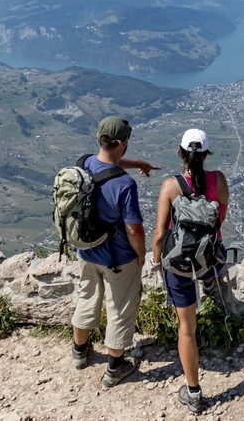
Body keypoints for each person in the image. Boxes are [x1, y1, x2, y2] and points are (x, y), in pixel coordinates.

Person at [70, 115, 160, 388]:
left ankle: (79, 353)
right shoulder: (125, 185)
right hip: (118, 259)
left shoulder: (83, 163)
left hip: (86, 251)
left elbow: (108, 163)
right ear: (124, 142)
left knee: (86, 298)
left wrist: (138, 164)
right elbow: (134, 229)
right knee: (119, 310)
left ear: (99, 139)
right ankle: (115, 368)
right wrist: (141, 255)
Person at [151, 128, 229, 413]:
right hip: (209, 258)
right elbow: (220, 219)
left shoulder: (170, 186)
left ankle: (193, 392)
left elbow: (160, 234)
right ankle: (211, 287)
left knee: (186, 328)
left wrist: (156, 262)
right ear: (206, 155)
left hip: (179, 264)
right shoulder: (218, 180)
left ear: (181, 153)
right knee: (209, 280)